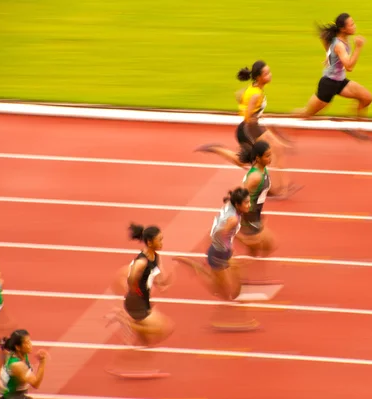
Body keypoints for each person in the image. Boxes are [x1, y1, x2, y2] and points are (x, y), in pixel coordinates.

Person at [196, 60, 301, 199]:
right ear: (259, 77)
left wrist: (260, 118)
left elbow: (241, 97)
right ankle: (280, 189)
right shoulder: (256, 94)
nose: (270, 75)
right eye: (267, 73)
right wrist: (265, 127)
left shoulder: (255, 89)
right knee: (266, 155)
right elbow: (248, 117)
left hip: (253, 128)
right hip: (248, 130)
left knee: (271, 153)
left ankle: (281, 187)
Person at [174, 187, 259, 330]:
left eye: (248, 202)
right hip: (219, 256)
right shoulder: (232, 219)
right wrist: (230, 246)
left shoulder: (230, 208)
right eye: (246, 203)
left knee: (235, 287)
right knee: (225, 294)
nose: (249, 205)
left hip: (221, 253)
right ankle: (227, 319)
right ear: (237, 205)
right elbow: (219, 234)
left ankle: (199, 268)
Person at [105, 223, 174, 376]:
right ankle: (124, 320)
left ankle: (125, 363)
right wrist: (139, 293)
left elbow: (158, 279)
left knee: (146, 341)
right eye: (159, 240)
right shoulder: (142, 261)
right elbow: (131, 278)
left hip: (142, 301)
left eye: (162, 239)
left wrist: (166, 281)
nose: (162, 243)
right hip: (135, 303)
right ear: (149, 242)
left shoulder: (155, 257)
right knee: (164, 328)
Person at [294, 13, 372, 139]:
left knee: (366, 98)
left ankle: (358, 129)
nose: (355, 26)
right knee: (306, 114)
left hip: (340, 82)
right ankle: (275, 122)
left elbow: (323, 35)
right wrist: (358, 47)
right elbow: (349, 67)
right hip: (328, 84)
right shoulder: (339, 45)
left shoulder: (339, 37)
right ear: (343, 29)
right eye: (351, 24)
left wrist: (328, 54)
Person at [0, 329, 48, 399]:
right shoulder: (18, 365)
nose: (30, 345)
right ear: (18, 347)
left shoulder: (18, 354)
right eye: (27, 342)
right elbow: (36, 384)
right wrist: (42, 362)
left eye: (29, 341)